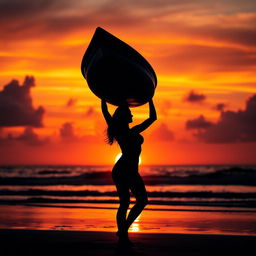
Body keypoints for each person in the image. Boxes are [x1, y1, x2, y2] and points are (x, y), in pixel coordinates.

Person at [101, 98, 157, 245]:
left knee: (132, 202)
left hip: (125, 170)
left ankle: (123, 231)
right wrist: (104, 97)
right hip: (125, 170)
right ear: (124, 116)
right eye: (130, 114)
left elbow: (153, 118)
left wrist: (150, 98)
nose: (132, 116)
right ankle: (123, 232)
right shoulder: (126, 132)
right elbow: (106, 112)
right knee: (134, 201)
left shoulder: (128, 130)